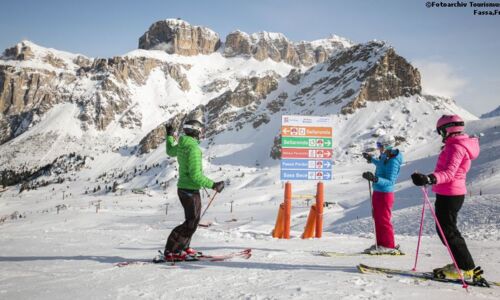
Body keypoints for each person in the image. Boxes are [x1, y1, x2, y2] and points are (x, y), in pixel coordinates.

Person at [411, 114, 481, 280]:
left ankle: (465, 267)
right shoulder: (456, 145)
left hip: (450, 193)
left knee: (448, 232)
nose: (441, 135)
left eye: (441, 131)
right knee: (446, 231)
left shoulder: (456, 147)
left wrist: (429, 178)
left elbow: (449, 173)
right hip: (449, 192)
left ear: (448, 129)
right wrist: (431, 179)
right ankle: (462, 264)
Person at [157, 114, 225, 262]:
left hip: (184, 188)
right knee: (191, 222)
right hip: (190, 190)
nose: (201, 134)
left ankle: (183, 247)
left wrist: (169, 135)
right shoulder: (193, 149)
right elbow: (195, 175)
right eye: (200, 131)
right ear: (195, 132)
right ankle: (171, 250)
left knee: (192, 221)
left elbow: (170, 151)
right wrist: (214, 185)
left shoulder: (182, 144)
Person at [361, 134, 403, 255]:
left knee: (384, 219)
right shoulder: (386, 156)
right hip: (378, 191)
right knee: (377, 218)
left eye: (379, 145)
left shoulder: (394, 161)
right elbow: (381, 165)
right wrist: (371, 159)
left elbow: (391, 181)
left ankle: (389, 245)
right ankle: (381, 244)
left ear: (386, 146)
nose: (378, 147)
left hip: (385, 193)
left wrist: (375, 179)